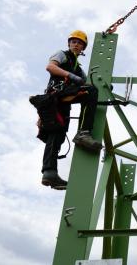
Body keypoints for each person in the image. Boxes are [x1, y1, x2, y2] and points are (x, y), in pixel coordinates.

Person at [39, 30, 102, 190]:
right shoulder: (62, 54)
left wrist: (105, 87)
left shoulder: (78, 68)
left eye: (79, 43)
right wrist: (70, 76)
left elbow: (86, 81)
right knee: (91, 92)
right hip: (56, 95)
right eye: (73, 41)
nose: (76, 44)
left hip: (62, 102)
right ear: (69, 43)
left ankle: (50, 173)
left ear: (83, 48)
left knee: (57, 133)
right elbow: (50, 67)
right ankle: (83, 133)